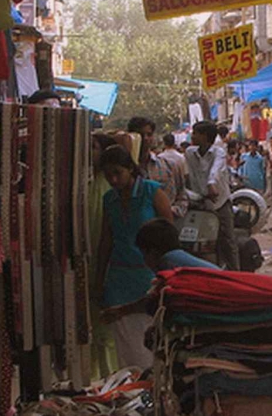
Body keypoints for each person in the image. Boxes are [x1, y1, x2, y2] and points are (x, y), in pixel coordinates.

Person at [95, 145, 173, 369]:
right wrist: (99, 280)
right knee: (127, 349)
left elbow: (169, 235)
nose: (113, 179)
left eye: (117, 173)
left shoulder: (152, 192)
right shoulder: (109, 199)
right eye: (108, 175)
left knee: (153, 344)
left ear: (130, 168)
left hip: (150, 276)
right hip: (119, 279)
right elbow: (106, 242)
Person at [184, 121, 239, 270]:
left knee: (228, 240)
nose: (192, 135)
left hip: (220, 202)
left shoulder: (219, 152)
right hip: (200, 203)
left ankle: (236, 274)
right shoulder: (189, 153)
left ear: (206, 137)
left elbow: (216, 169)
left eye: (196, 133)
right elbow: (189, 176)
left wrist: (211, 184)